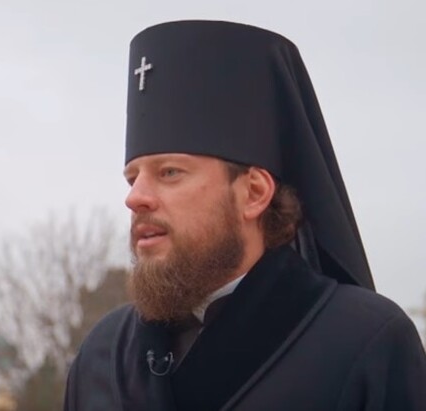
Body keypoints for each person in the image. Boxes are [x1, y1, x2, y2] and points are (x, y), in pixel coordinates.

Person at [63, 20, 426, 411]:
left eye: (170, 172)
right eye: (133, 177)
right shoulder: (100, 354)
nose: (135, 198)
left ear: (254, 193)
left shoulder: (366, 342)